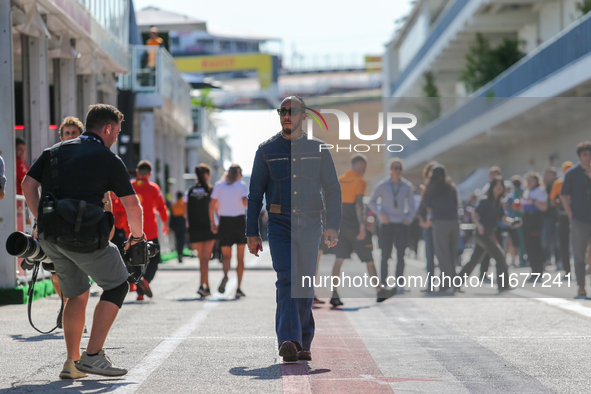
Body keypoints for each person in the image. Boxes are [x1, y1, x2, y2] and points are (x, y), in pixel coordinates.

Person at [21, 104, 143, 378]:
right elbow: (132, 205)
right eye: (116, 132)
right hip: (86, 237)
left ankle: (71, 363)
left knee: (75, 294)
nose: (115, 139)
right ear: (108, 128)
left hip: (52, 237)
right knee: (118, 284)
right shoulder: (107, 158)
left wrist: (40, 220)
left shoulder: (54, 151)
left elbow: (27, 185)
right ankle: (93, 356)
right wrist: (137, 237)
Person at [246, 96, 341, 362]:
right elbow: (254, 196)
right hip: (279, 223)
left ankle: (303, 340)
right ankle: (289, 340)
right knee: (287, 278)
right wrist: (251, 232)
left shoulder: (319, 149)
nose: (287, 115)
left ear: (304, 115)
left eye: (292, 111)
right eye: (283, 111)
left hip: (311, 223)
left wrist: (333, 226)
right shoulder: (266, 150)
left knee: (305, 282)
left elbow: (333, 190)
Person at [330, 154, 396, 307]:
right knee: (369, 260)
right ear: (360, 167)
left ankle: (334, 294)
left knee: (338, 260)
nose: (364, 172)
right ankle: (380, 291)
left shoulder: (338, 180)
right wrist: (362, 227)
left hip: (340, 226)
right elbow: (359, 203)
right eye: (364, 169)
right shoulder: (360, 181)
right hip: (355, 226)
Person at [458, 177, 519, 292]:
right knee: (500, 256)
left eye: (501, 186)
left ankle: (455, 283)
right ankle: (503, 285)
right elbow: (474, 215)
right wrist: (479, 225)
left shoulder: (498, 203)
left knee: (474, 261)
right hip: (483, 234)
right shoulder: (485, 201)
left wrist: (513, 222)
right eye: (497, 185)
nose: (499, 188)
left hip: (490, 233)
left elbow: (504, 218)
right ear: (492, 187)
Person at [51, 116, 84, 328]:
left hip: (83, 225)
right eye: (67, 133)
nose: (70, 136)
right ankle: (65, 303)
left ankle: (76, 313)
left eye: (74, 133)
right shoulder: (51, 158)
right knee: (55, 274)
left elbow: (105, 193)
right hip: (56, 224)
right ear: (61, 136)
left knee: (79, 272)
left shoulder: (89, 159)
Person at [368, 158, 415, 290]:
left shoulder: (407, 186)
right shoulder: (382, 185)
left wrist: (409, 218)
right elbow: (372, 202)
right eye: (395, 168)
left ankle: (399, 283)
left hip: (401, 223)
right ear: (390, 169)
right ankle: (383, 282)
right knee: (385, 254)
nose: (397, 171)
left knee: (401, 255)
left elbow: (412, 205)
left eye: (399, 168)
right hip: (386, 224)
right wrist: (380, 214)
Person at [131, 160, 169, 301]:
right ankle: (146, 281)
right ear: (150, 174)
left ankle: (140, 292)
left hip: (132, 229)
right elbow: (161, 207)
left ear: (137, 172)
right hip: (150, 230)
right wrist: (166, 223)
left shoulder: (130, 186)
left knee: (136, 260)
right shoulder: (153, 188)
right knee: (154, 257)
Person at [210, 164, 248, 298]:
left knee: (226, 257)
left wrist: (213, 222)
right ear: (238, 174)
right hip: (239, 222)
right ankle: (238, 288)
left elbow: (212, 205)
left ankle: (226, 275)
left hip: (225, 222)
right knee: (240, 258)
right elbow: (245, 203)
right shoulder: (241, 185)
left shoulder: (219, 186)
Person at [561, 142, 591, 298]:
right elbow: (563, 195)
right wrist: (570, 215)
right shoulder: (572, 173)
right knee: (579, 254)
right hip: (579, 219)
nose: (588, 157)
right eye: (585, 154)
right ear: (580, 156)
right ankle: (581, 286)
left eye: (590, 154)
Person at [423, 165, 459, 295]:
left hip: (440, 223)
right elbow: (456, 203)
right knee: (451, 255)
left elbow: (427, 204)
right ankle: (453, 285)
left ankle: (446, 286)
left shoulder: (431, 188)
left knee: (442, 255)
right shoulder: (451, 187)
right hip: (454, 222)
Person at [186, 164, 216, 297]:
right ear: (207, 175)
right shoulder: (211, 190)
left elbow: (185, 213)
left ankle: (207, 286)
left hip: (195, 228)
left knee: (201, 259)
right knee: (206, 259)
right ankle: (201, 286)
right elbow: (216, 209)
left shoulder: (190, 191)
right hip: (209, 227)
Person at [520, 172, 548, 280]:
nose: (529, 182)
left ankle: (538, 271)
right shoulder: (526, 192)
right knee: (529, 246)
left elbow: (544, 207)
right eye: (527, 180)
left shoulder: (539, 191)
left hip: (535, 219)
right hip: (526, 219)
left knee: (535, 245)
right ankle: (533, 270)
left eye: (531, 180)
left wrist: (532, 201)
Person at [418, 161, 438, 291]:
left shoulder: (442, 187)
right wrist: (421, 220)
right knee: (429, 257)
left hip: (437, 225)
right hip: (427, 226)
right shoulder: (426, 188)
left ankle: (445, 283)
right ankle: (430, 284)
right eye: (430, 170)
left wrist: (430, 220)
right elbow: (422, 207)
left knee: (442, 257)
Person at [550, 161, 574, 274]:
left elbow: (552, 201)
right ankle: (569, 269)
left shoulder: (559, 183)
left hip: (569, 216)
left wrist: (559, 202)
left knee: (565, 244)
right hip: (571, 216)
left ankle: (568, 270)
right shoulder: (560, 183)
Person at [169, 191, 187, 263]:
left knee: (177, 241)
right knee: (182, 241)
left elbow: (171, 218)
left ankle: (179, 254)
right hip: (183, 225)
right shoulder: (184, 205)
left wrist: (171, 227)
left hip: (176, 226)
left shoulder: (173, 206)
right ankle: (180, 254)